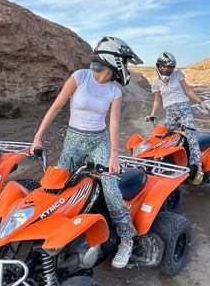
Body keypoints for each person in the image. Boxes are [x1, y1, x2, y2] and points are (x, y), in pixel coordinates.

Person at [30, 36, 143, 268]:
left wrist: (113, 153)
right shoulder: (79, 77)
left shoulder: (114, 91)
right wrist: (38, 137)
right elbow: (56, 107)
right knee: (57, 185)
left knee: (110, 187)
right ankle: (53, 233)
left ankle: (126, 239)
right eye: (125, 62)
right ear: (114, 60)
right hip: (74, 138)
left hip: (99, 141)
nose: (126, 68)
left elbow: (113, 123)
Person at [145, 52, 210, 181]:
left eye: (169, 67)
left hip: (184, 109)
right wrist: (152, 114)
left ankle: (199, 169)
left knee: (191, 136)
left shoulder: (178, 75)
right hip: (170, 112)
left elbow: (188, 90)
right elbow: (157, 101)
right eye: (164, 66)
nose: (166, 69)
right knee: (160, 135)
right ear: (159, 66)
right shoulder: (155, 83)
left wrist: (200, 102)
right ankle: (161, 162)